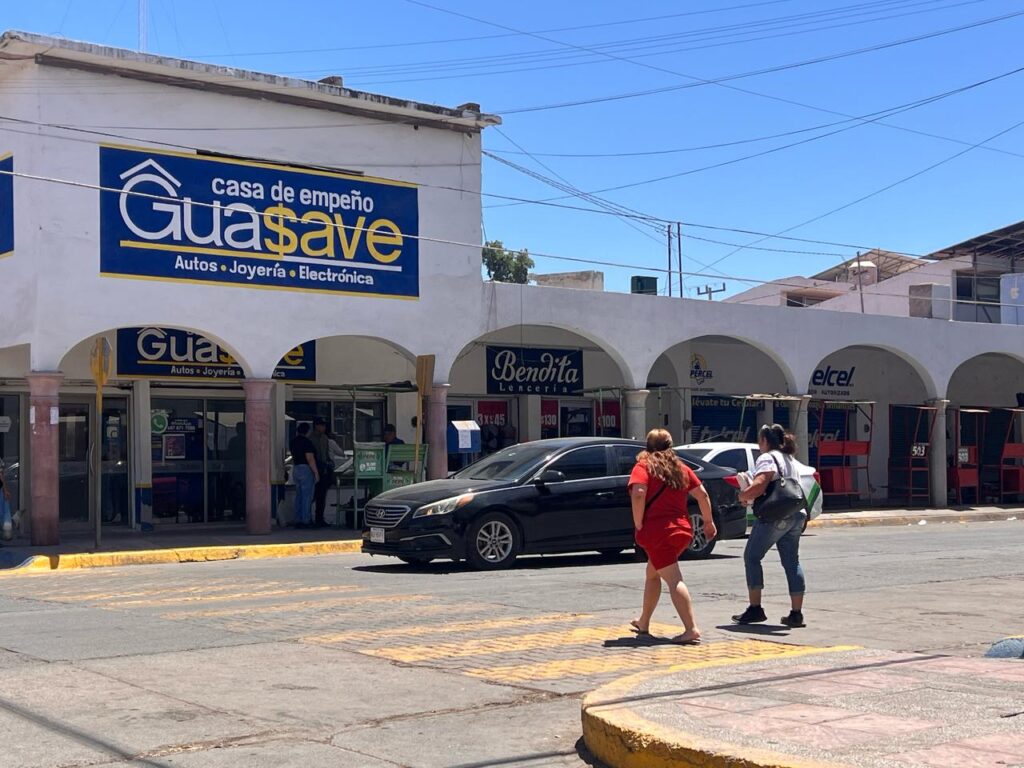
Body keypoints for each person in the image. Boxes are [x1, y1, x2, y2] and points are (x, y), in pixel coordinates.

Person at [629, 428, 717, 645]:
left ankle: (691, 628)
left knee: (674, 579)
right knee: (652, 573)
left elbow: (638, 494)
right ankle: (644, 621)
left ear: (648, 446)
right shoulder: (681, 468)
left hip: (658, 533)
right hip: (681, 530)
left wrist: (638, 522)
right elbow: (702, 495)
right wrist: (708, 522)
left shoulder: (643, 467)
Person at [734, 424, 808, 629]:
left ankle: (755, 608)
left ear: (765, 441)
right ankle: (796, 614)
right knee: (792, 562)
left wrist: (743, 496)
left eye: (760, 441)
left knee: (752, 557)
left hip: (775, 515)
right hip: (797, 514)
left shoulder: (767, 458)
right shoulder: (789, 458)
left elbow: (760, 484)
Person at [289, 423, 319, 529]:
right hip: (306, 469)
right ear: (308, 431)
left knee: (299, 495)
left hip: (296, 468)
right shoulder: (307, 442)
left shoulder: (293, 442)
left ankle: (298, 519)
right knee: (307, 496)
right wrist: (316, 472)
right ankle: (306, 519)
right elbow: (310, 459)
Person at [309, 417, 334, 529]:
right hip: (314, 469)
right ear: (316, 426)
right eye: (322, 425)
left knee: (322, 496)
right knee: (312, 496)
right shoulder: (310, 438)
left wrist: (329, 462)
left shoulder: (325, 438)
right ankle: (307, 518)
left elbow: (326, 453)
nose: (324, 427)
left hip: (324, 469)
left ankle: (320, 518)